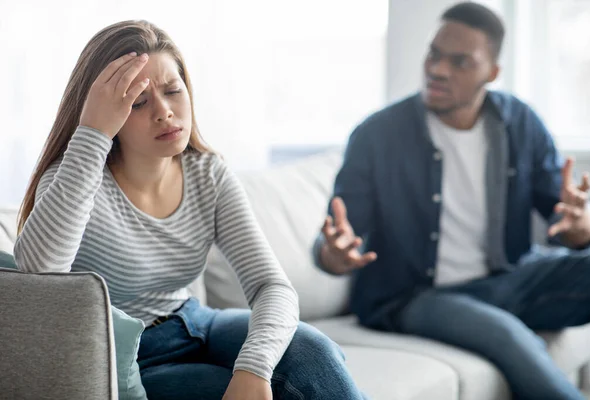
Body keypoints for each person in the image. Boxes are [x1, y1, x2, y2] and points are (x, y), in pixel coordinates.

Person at [14, 20, 365, 400]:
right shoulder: (75, 179)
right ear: (105, 110)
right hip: (127, 356)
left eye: (172, 90)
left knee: (314, 353)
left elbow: (271, 287)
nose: (165, 112)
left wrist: (255, 366)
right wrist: (93, 133)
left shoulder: (207, 173)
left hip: (195, 321)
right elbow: (38, 277)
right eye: (138, 101)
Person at [313, 2, 590, 399]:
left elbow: (567, 216)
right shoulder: (377, 135)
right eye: (434, 54)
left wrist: (584, 228)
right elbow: (337, 236)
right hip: (411, 297)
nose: (438, 70)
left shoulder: (520, 123)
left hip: (506, 280)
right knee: (508, 337)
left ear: (492, 72)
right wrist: (333, 255)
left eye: (460, 62)